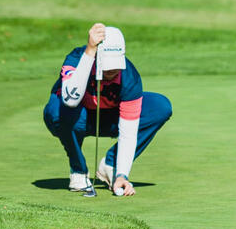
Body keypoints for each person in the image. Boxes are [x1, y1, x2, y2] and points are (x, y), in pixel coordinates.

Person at [43, 23, 172, 196]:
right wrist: (90, 51)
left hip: (111, 119)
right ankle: (78, 171)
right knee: (56, 110)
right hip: (76, 117)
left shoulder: (130, 77)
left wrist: (122, 174)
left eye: (116, 65)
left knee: (160, 106)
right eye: (107, 66)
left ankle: (110, 165)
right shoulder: (77, 58)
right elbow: (70, 100)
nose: (112, 71)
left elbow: (128, 131)